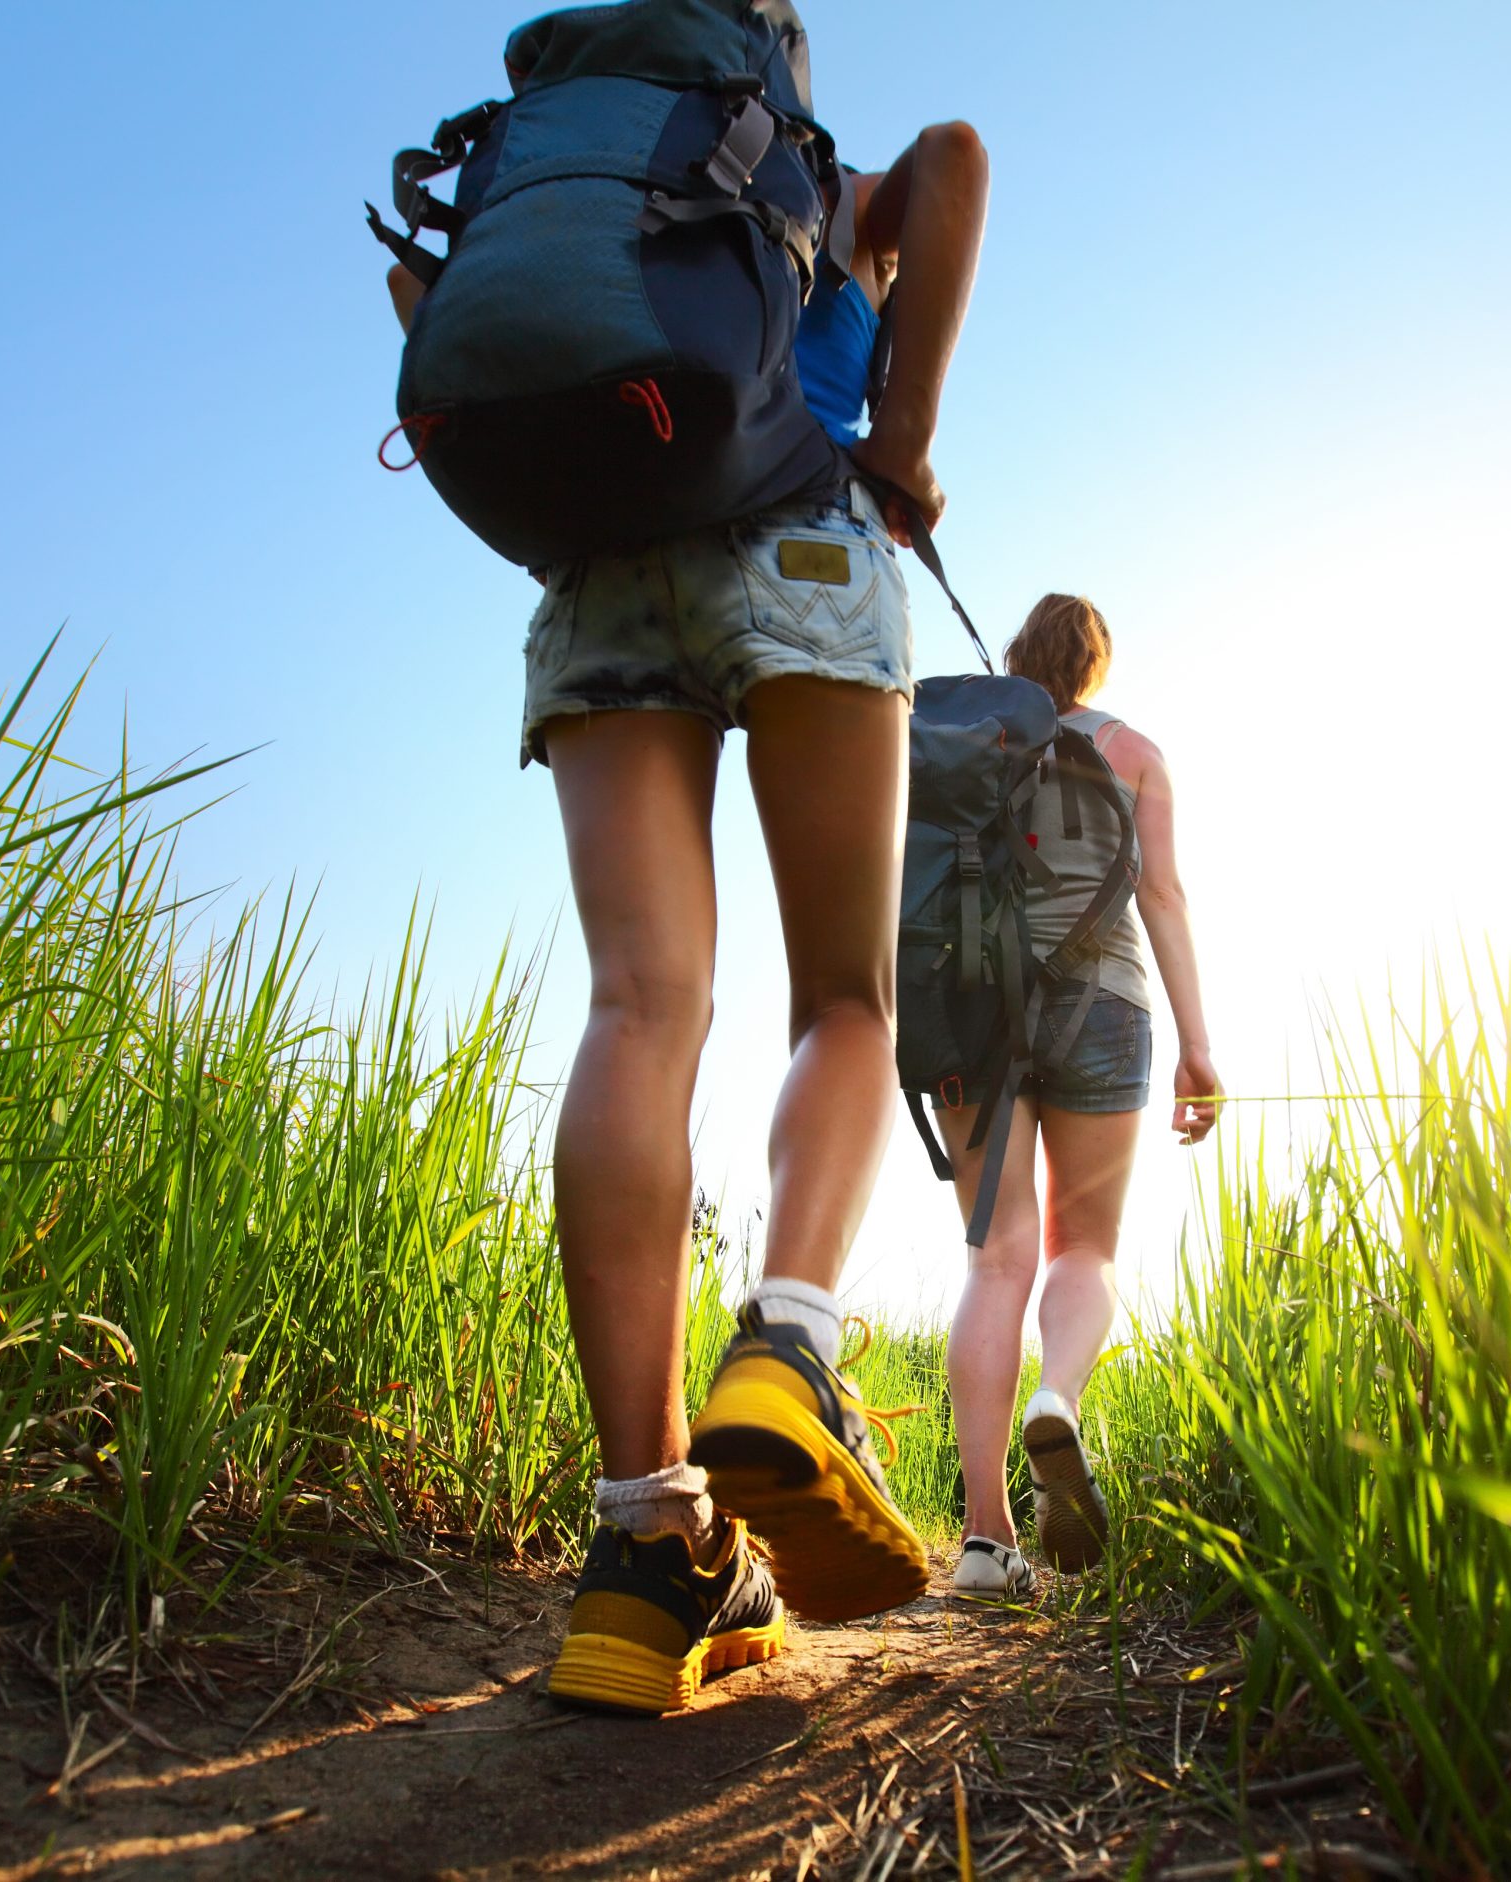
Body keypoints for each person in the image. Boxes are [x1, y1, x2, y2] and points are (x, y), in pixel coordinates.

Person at [386, 116, 989, 1714]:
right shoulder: (796, 180)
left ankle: (651, 1545)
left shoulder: (543, 187)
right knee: (846, 999)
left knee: (638, 1006)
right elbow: (955, 157)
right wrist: (906, 436)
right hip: (801, 534)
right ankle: (787, 1349)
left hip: (596, 573)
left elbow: (425, 323)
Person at [937, 595, 1222, 1597]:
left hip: (971, 1008)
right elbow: (1164, 895)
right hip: (1104, 1004)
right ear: (1096, 665)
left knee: (994, 1261)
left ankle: (984, 1542)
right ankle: (1054, 1396)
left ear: (1019, 654)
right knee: (1083, 1249)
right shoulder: (1134, 752)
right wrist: (1196, 1046)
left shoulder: (965, 740)